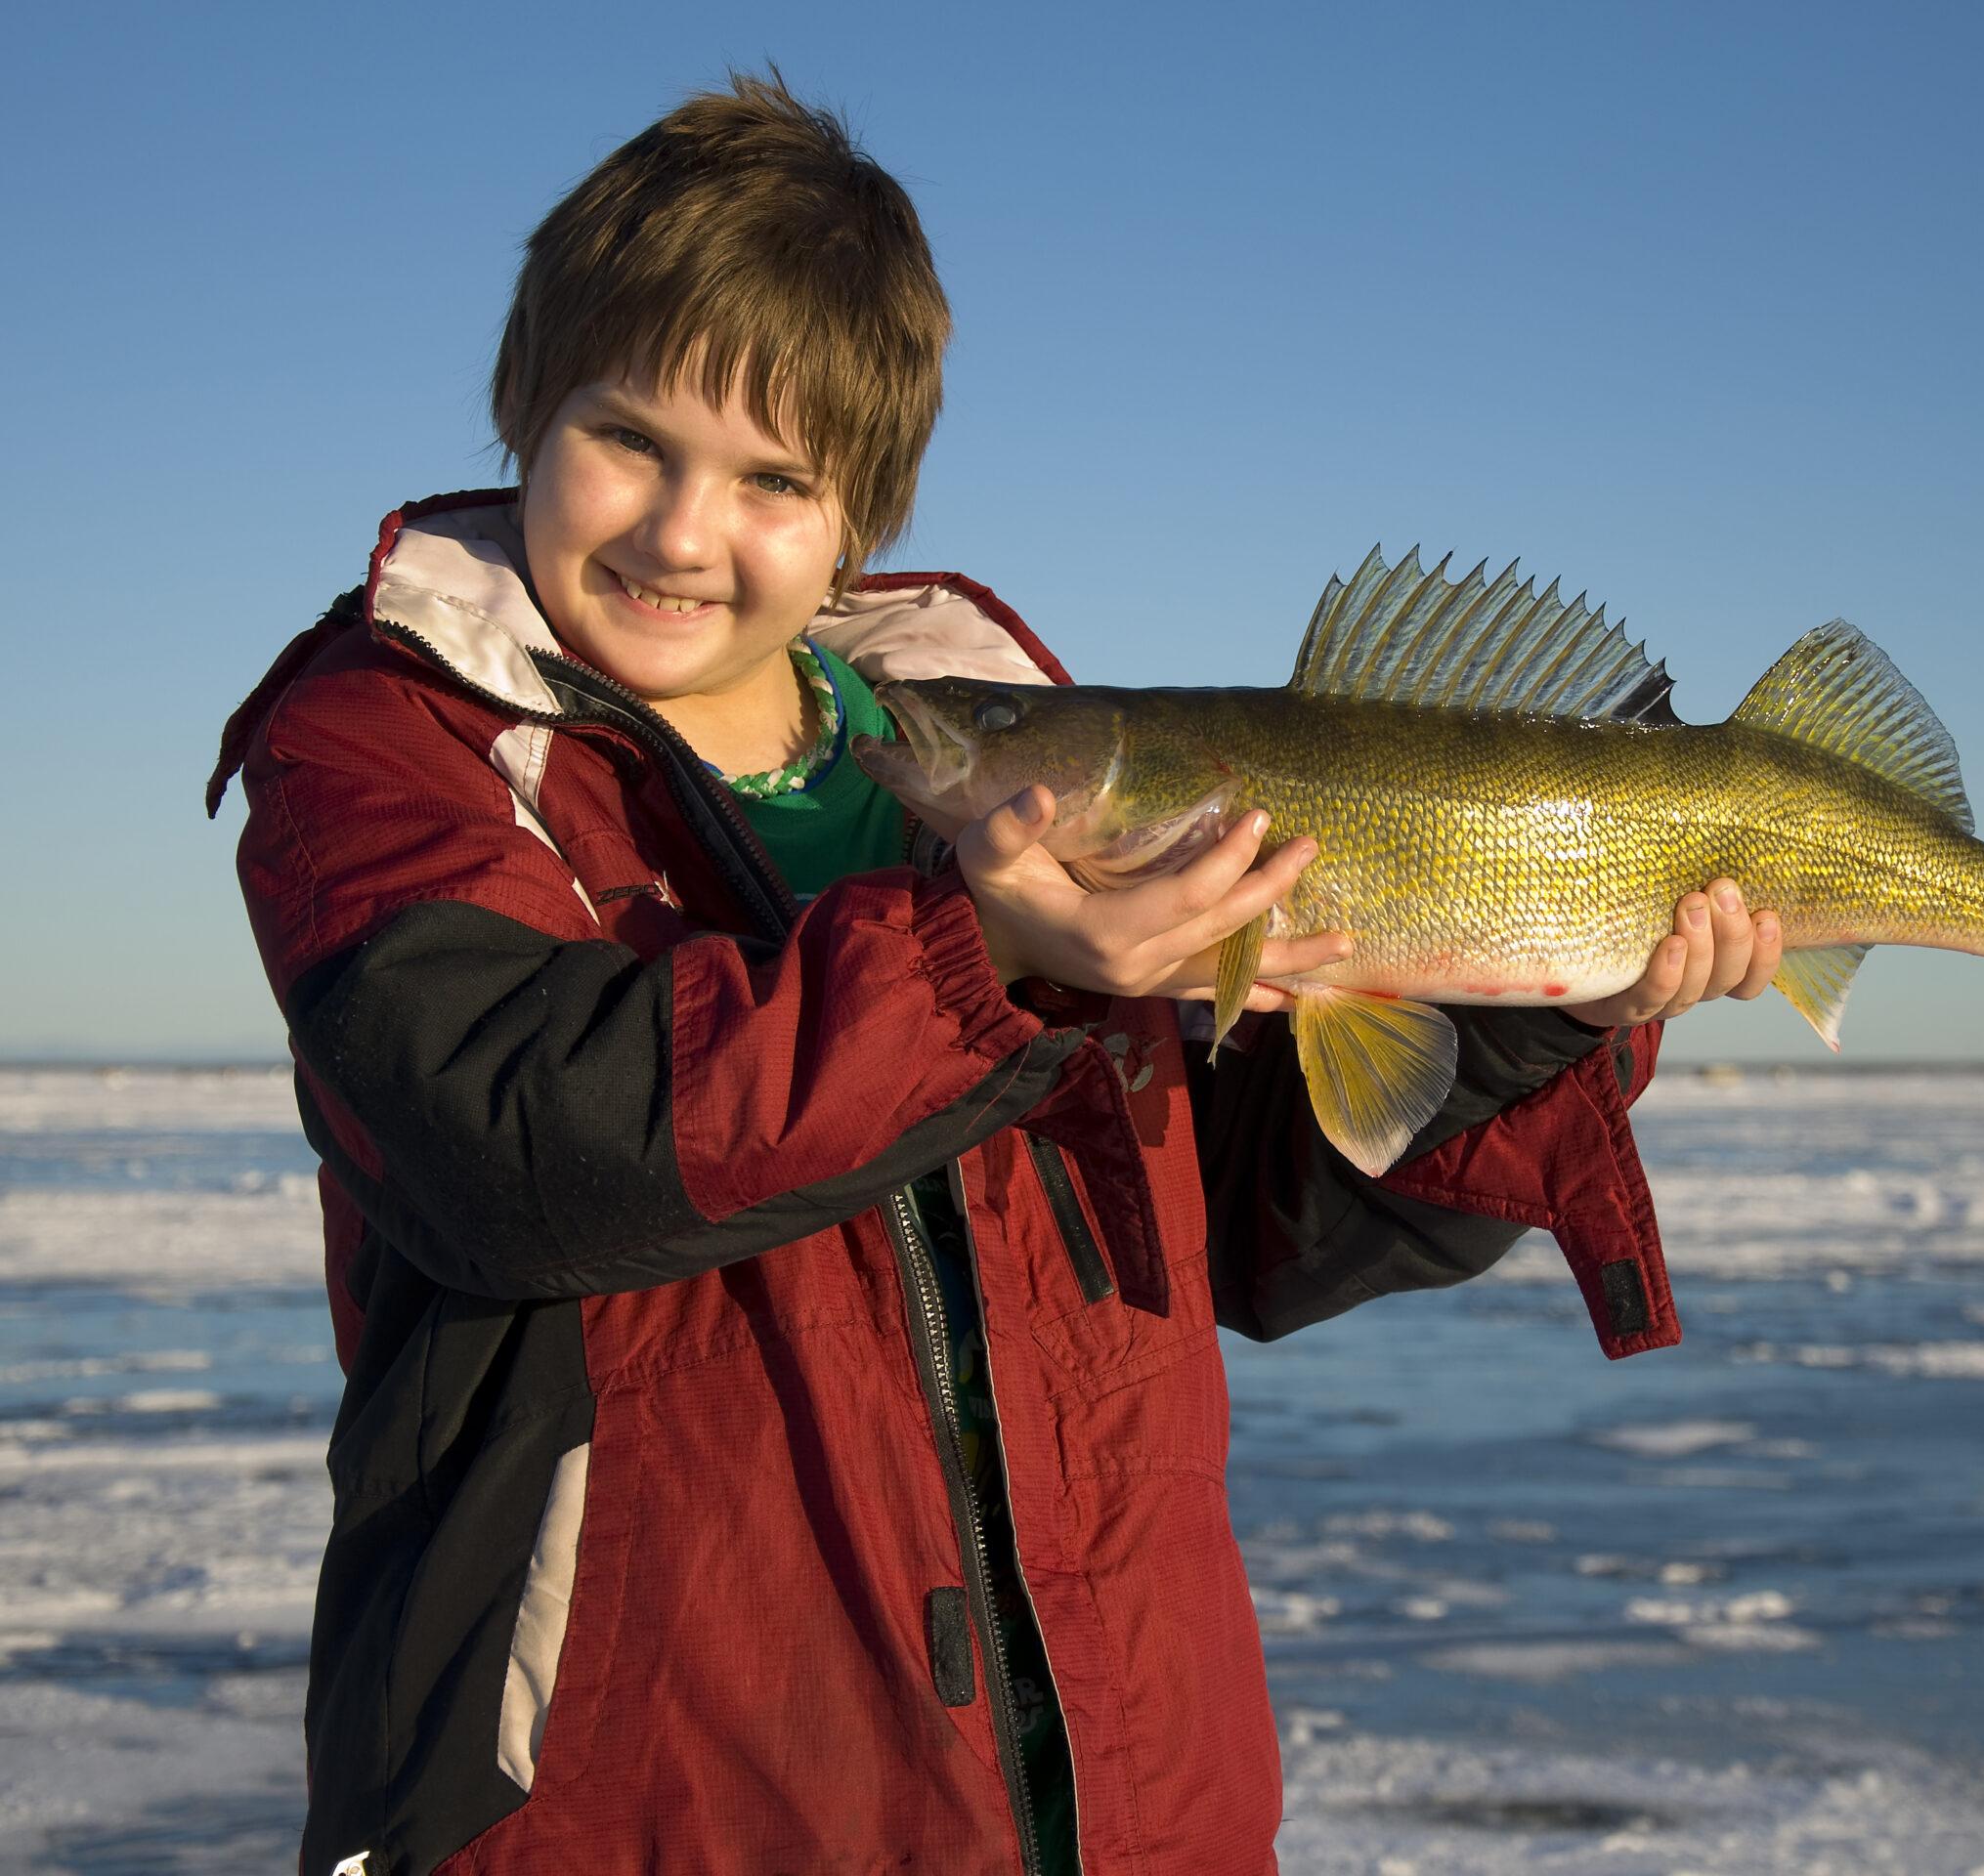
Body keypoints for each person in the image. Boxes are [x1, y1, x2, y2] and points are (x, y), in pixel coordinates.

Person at [208, 72, 1782, 1876]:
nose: (680, 533)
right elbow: (513, 1149)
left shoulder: (1014, 777)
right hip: (665, 1805)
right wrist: (986, 961)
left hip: (1122, 1785)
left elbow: (1252, 1239)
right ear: (523, 408)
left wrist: (1542, 1016)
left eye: (774, 479)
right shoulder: (389, 744)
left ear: (857, 515)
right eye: (628, 437)